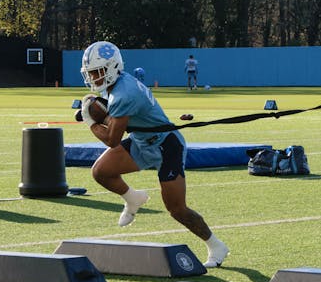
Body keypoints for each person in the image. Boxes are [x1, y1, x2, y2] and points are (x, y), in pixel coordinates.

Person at [80, 41, 229, 267]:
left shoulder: (124, 93)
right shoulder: (118, 85)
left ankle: (215, 245)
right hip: (142, 141)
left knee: (177, 209)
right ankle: (133, 198)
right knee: (101, 172)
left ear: (112, 68)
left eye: (97, 72)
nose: (93, 78)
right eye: (90, 73)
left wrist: (91, 121)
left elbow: (112, 140)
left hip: (166, 145)